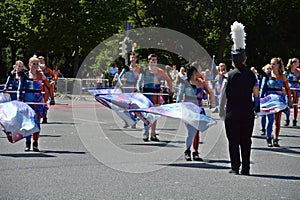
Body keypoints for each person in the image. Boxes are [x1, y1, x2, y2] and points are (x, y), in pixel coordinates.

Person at [219, 21, 260, 175]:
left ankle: (235, 167)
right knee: (246, 140)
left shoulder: (228, 76)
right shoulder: (252, 75)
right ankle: (246, 168)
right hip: (248, 111)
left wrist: (222, 111)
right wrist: (257, 108)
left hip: (232, 112)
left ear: (233, 61)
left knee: (233, 141)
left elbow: (223, 95)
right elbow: (256, 94)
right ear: (244, 59)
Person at [18, 56, 55, 151]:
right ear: (29, 64)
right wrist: (19, 100)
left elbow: (49, 86)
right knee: (27, 123)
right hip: (27, 101)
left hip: (38, 101)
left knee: (37, 123)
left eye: (37, 64)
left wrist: (52, 98)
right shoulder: (24, 75)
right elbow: (20, 88)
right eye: (33, 63)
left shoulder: (41, 75)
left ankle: (35, 143)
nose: (35, 66)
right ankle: (27, 142)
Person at [136, 54, 173, 142]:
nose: (154, 62)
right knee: (147, 114)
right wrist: (138, 89)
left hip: (156, 94)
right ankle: (146, 132)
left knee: (155, 114)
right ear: (149, 61)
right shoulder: (144, 70)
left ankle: (153, 133)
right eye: (152, 60)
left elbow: (168, 80)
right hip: (146, 94)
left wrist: (170, 89)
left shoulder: (160, 71)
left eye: (155, 60)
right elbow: (139, 81)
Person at [183, 64, 214, 161]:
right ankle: (187, 151)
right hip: (188, 109)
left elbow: (210, 92)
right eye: (199, 70)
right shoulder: (185, 82)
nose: (201, 72)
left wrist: (211, 101)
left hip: (199, 109)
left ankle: (195, 152)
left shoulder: (202, 83)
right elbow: (181, 96)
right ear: (194, 72)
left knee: (196, 131)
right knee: (191, 132)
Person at [260, 57, 292, 147]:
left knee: (277, 121)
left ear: (278, 65)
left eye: (274, 64)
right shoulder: (267, 75)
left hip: (279, 100)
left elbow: (287, 88)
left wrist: (289, 99)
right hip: (269, 100)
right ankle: (268, 138)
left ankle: (275, 139)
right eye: (271, 63)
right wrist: (260, 100)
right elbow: (262, 88)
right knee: (269, 120)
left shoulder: (282, 76)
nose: (271, 65)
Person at [117, 53, 141, 128]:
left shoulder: (138, 68)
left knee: (134, 105)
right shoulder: (126, 68)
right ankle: (126, 121)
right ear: (130, 59)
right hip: (126, 87)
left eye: (134, 58)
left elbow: (140, 78)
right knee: (125, 105)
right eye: (131, 58)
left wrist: (138, 87)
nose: (133, 59)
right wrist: (121, 84)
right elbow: (119, 77)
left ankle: (134, 121)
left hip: (134, 87)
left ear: (136, 59)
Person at [38, 56, 57, 124]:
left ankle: (52, 99)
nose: (41, 62)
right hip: (38, 86)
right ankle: (38, 116)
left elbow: (55, 75)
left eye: (42, 60)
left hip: (45, 85)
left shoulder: (47, 70)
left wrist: (53, 80)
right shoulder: (36, 69)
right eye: (39, 60)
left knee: (44, 102)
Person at [283, 58, 300, 126]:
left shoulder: (299, 71)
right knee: (288, 103)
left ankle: (295, 120)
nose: (299, 64)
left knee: (295, 104)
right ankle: (287, 119)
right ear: (293, 63)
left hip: (296, 88)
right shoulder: (287, 71)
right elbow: (284, 80)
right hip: (289, 88)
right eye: (298, 62)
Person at [259, 64, 272, 136]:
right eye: (268, 69)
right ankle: (263, 128)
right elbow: (262, 88)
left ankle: (268, 129)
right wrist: (260, 98)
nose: (269, 70)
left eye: (270, 68)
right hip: (264, 97)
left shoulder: (273, 77)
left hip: (271, 98)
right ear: (264, 70)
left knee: (270, 114)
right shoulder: (263, 77)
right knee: (263, 114)